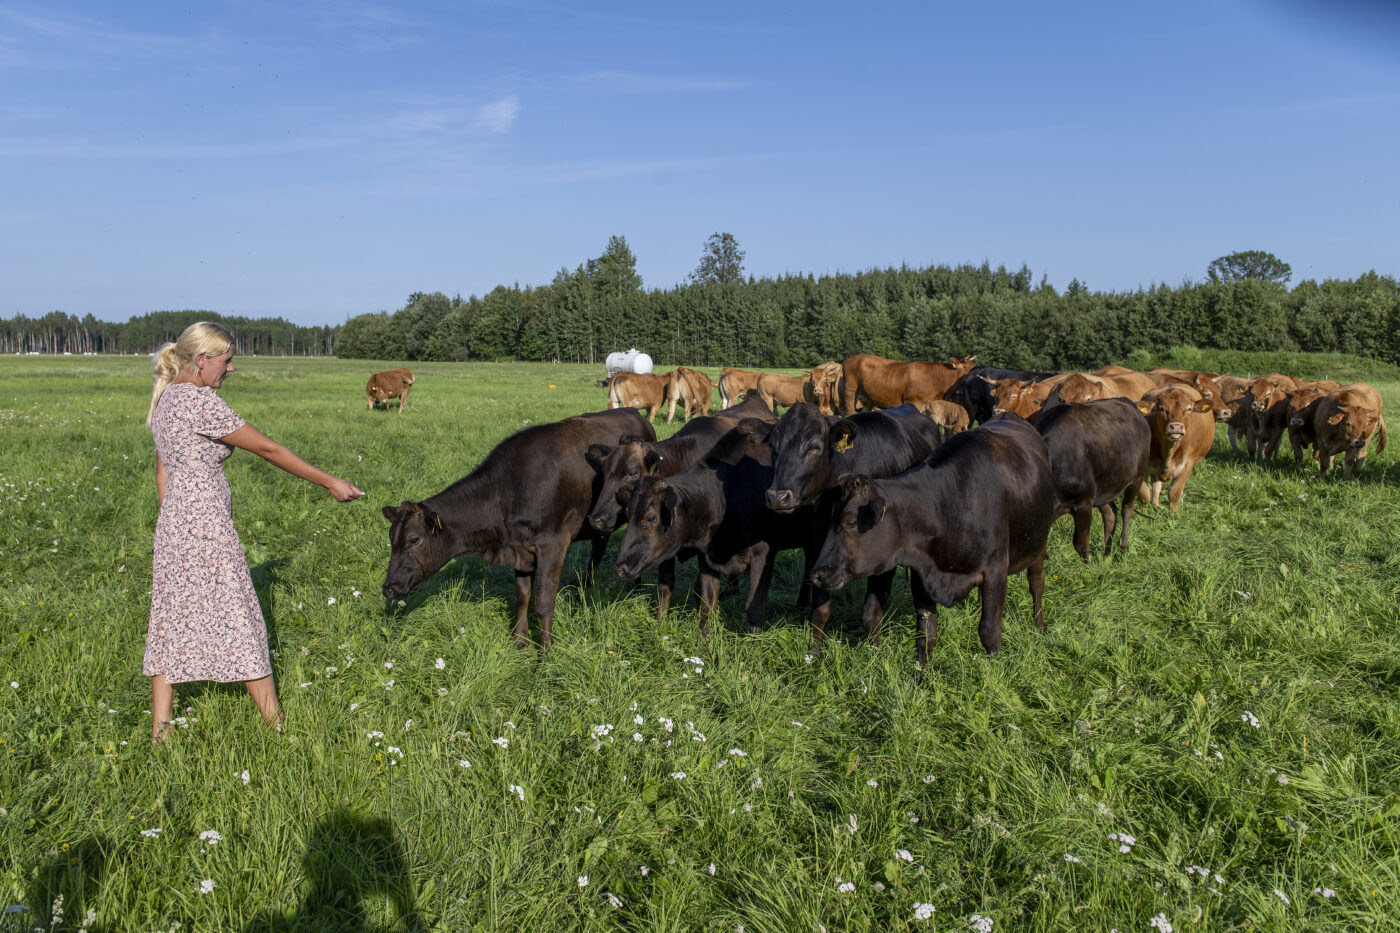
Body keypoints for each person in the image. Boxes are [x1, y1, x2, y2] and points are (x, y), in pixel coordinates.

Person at [145, 322, 363, 741]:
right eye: (227, 361)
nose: (231, 369)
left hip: (172, 526)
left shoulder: (166, 397)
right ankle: (277, 729)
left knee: (169, 620)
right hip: (206, 526)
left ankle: (161, 731)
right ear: (202, 361)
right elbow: (267, 448)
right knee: (240, 617)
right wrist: (329, 481)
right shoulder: (200, 402)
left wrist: (173, 522)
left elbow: (162, 471)